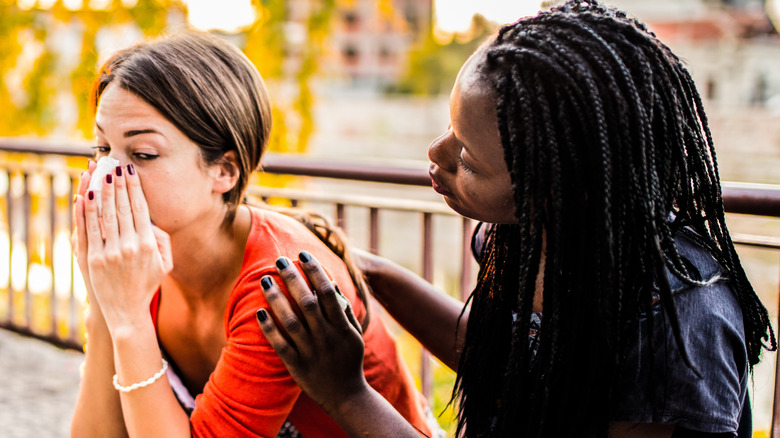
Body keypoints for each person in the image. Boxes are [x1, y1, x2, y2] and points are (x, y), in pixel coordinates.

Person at [255, 1, 777, 437]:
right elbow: (514, 363)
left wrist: (348, 394)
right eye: (451, 129)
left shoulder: (678, 329)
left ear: (555, 190)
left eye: (469, 160)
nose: (437, 153)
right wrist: (366, 269)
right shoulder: (523, 240)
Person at [69, 31, 439, 438]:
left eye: (143, 155)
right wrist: (106, 307)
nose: (107, 176)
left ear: (224, 170)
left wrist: (129, 318)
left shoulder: (279, 284)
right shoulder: (142, 262)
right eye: (102, 149)